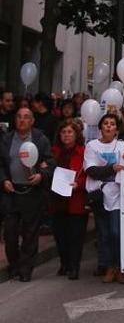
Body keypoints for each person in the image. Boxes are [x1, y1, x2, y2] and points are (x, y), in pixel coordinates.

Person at [0, 107, 55, 282]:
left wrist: (41, 175)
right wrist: (3, 180)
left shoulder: (40, 139)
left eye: (26, 117)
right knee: (10, 233)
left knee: (30, 234)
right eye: (19, 117)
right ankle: (14, 264)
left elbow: (51, 163)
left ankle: (25, 270)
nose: (22, 120)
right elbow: (1, 164)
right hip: (12, 191)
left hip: (32, 192)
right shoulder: (6, 139)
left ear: (32, 121)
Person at [84, 113, 124, 284]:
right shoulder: (91, 146)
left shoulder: (122, 145)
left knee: (116, 232)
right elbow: (91, 170)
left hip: (118, 195)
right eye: (106, 123)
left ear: (117, 130)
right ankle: (109, 266)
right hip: (100, 194)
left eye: (112, 124)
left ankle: (120, 266)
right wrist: (112, 168)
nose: (109, 126)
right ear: (101, 128)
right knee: (103, 233)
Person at [49, 119, 87, 280]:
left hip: (76, 200)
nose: (66, 135)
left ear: (76, 134)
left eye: (70, 132)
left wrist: (78, 183)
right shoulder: (54, 151)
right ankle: (64, 263)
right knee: (60, 235)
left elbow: (89, 174)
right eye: (63, 132)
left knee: (75, 236)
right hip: (57, 200)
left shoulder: (84, 152)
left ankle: (74, 267)